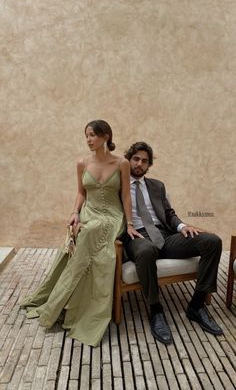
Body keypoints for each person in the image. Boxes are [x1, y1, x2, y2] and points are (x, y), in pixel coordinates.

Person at [21, 120, 141, 347]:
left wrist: (131, 223)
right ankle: (64, 301)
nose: (88, 139)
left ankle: (85, 310)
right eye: (86, 135)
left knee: (91, 232)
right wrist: (75, 212)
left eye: (93, 135)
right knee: (84, 229)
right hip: (90, 212)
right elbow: (80, 192)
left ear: (106, 136)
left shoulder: (122, 163)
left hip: (113, 217)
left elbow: (126, 196)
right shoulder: (82, 163)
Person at [122, 141, 223, 345]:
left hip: (165, 235)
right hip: (136, 237)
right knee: (147, 251)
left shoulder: (157, 186)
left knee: (212, 241)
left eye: (144, 161)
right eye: (136, 159)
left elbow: (169, 214)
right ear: (128, 160)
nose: (139, 163)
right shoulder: (117, 185)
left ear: (149, 165)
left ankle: (196, 305)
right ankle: (155, 309)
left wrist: (182, 226)